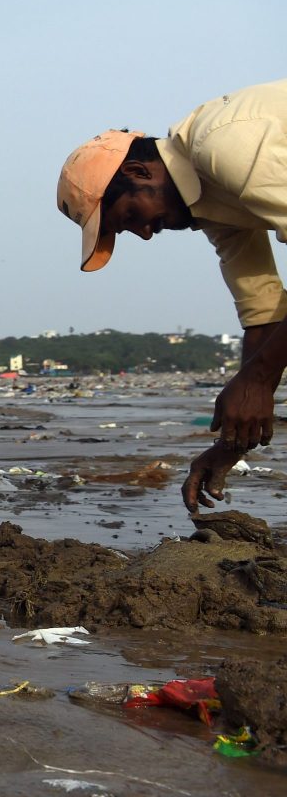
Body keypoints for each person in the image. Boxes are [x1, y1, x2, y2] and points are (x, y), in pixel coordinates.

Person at [56, 79, 287, 514]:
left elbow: (260, 368)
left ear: (138, 172)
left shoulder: (225, 147)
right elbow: (264, 315)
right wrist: (230, 444)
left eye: (129, 218)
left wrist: (255, 383)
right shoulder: (215, 207)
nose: (144, 234)